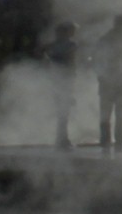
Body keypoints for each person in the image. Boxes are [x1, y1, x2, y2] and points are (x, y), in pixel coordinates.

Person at [92, 14, 122, 153]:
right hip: (119, 82)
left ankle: (106, 142)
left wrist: (100, 76)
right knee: (120, 115)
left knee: (106, 114)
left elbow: (95, 60)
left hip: (109, 82)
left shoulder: (104, 39)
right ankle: (119, 144)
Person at [43, 21, 78, 150]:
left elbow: (47, 55)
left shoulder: (52, 46)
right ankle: (62, 139)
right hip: (64, 81)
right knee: (63, 111)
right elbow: (70, 63)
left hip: (59, 80)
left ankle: (62, 138)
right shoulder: (70, 45)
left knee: (62, 111)